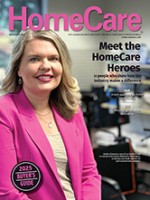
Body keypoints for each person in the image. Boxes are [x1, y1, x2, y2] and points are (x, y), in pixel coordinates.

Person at [0, 28, 101, 200]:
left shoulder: (71, 109)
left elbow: (88, 172)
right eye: (34, 59)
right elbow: (7, 192)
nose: (46, 66)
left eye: (54, 58)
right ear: (18, 68)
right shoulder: (5, 112)